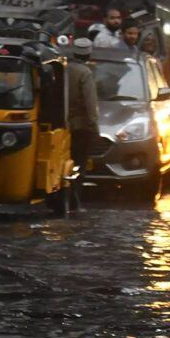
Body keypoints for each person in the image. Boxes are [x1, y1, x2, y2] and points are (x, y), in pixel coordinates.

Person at [67, 38, 99, 211]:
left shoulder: (64, 68)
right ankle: (75, 201)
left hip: (62, 125)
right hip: (80, 127)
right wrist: (94, 128)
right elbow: (90, 103)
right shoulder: (85, 72)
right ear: (88, 54)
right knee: (79, 164)